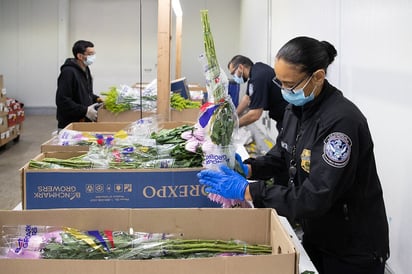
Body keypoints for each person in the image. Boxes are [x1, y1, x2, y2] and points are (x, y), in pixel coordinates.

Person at [199, 36, 389, 274]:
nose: (284, 91)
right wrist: (249, 169)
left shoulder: (341, 124)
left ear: (318, 77)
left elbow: (315, 197)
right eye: (279, 82)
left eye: (290, 84)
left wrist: (248, 190)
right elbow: (282, 155)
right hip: (318, 232)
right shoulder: (296, 109)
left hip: (351, 245)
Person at [228, 55, 287, 133]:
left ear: (241, 67)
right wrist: (234, 116)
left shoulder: (258, 78)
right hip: (283, 116)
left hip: (290, 117)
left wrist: (233, 126)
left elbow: (255, 115)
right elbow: (247, 98)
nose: (234, 77)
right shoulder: (256, 71)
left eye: (233, 73)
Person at [55, 40, 102, 130]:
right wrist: (85, 110)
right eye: (90, 54)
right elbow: (62, 100)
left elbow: (85, 92)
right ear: (80, 56)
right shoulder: (68, 72)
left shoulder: (86, 69)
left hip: (83, 121)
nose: (93, 57)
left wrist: (97, 99)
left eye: (94, 53)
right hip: (70, 124)